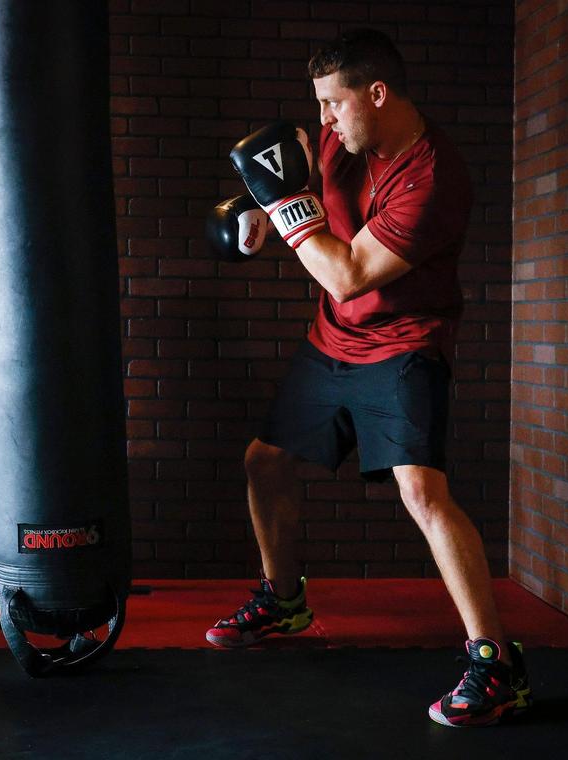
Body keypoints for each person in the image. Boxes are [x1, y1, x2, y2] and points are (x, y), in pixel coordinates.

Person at [203, 28, 532, 728]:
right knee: (265, 463)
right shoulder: (334, 143)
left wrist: (289, 217)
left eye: (333, 104)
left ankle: (496, 664)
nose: (323, 119)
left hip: (405, 346)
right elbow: (289, 182)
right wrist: (259, 213)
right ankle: (283, 600)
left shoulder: (434, 177)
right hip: (332, 346)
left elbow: (347, 275)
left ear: (376, 94)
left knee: (422, 491)